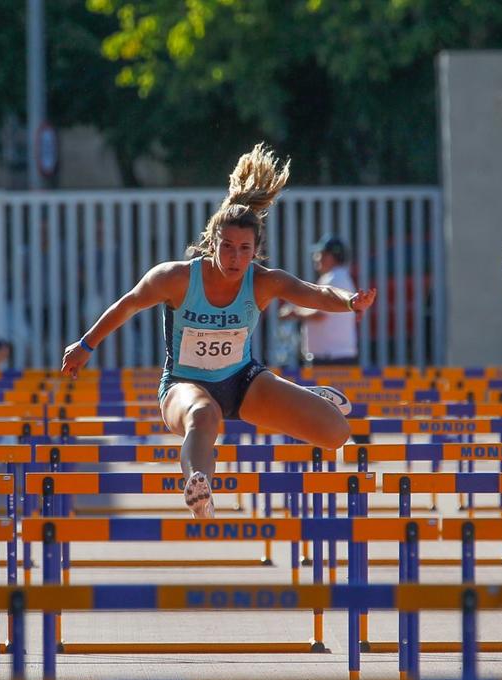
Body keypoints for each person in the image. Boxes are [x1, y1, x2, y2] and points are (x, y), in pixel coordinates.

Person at [61, 144, 375, 518]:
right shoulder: (176, 278)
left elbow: (314, 292)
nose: (235, 258)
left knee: (336, 433)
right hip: (183, 384)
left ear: (256, 251)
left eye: (244, 249)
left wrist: (350, 302)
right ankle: (199, 489)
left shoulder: (262, 282)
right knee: (203, 414)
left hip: (243, 381)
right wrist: (86, 345)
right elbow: (127, 304)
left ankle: (306, 397)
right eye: (226, 247)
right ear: (211, 244)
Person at [280, 234, 360, 366]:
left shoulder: (333, 279)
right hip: (335, 356)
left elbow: (320, 314)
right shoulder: (340, 277)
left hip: (331, 359)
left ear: (330, 256)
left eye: (320, 254)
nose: (316, 258)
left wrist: (294, 312)